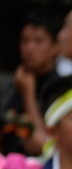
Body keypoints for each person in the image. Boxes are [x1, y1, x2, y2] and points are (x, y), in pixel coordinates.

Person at [0, 11, 62, 157]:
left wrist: (28, 93)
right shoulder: (9, 85)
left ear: (55, 47)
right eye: (25, 41)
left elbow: (47, 144)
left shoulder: (60, 88)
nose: (29, 48)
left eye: (38, 41)